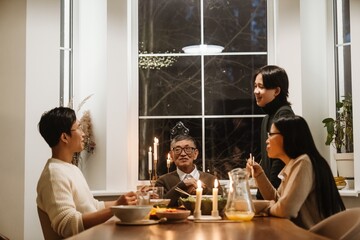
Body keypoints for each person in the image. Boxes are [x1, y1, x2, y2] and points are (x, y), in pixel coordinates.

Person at [37, 107, 137, 238]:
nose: (83, 133)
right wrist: (116, 208)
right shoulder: (53, 175)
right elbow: (68, 225)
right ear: (65, 137)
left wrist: (128, 200)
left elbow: (93, 206)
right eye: (78, 128)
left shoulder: (71, 169)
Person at [247, 115, 346, 229]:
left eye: (271, 134)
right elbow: (277, 199)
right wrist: (259, 175)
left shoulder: (303, 163)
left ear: (288, 136)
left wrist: (266, 207)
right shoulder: (294, 164)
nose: (267, 140)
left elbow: (285, 209)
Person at [253, 65, 294, 199]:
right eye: (255, 86)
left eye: (261, 87)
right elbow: (266, 161)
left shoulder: (284, 115)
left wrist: (268, 199)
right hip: (269, 195)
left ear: (276, 91)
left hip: (278, 197)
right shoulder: (267, 118)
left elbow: (279, 162)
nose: (256, 91)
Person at [155, 134, 221, 207]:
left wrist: (204, 190)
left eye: (188, 149)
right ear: (171, 155)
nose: (183, 154)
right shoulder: (162, 181)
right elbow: (159, 207)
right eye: (177, 150)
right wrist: (182, 186)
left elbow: (221, 204)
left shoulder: (212, 180)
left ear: (195, 154)